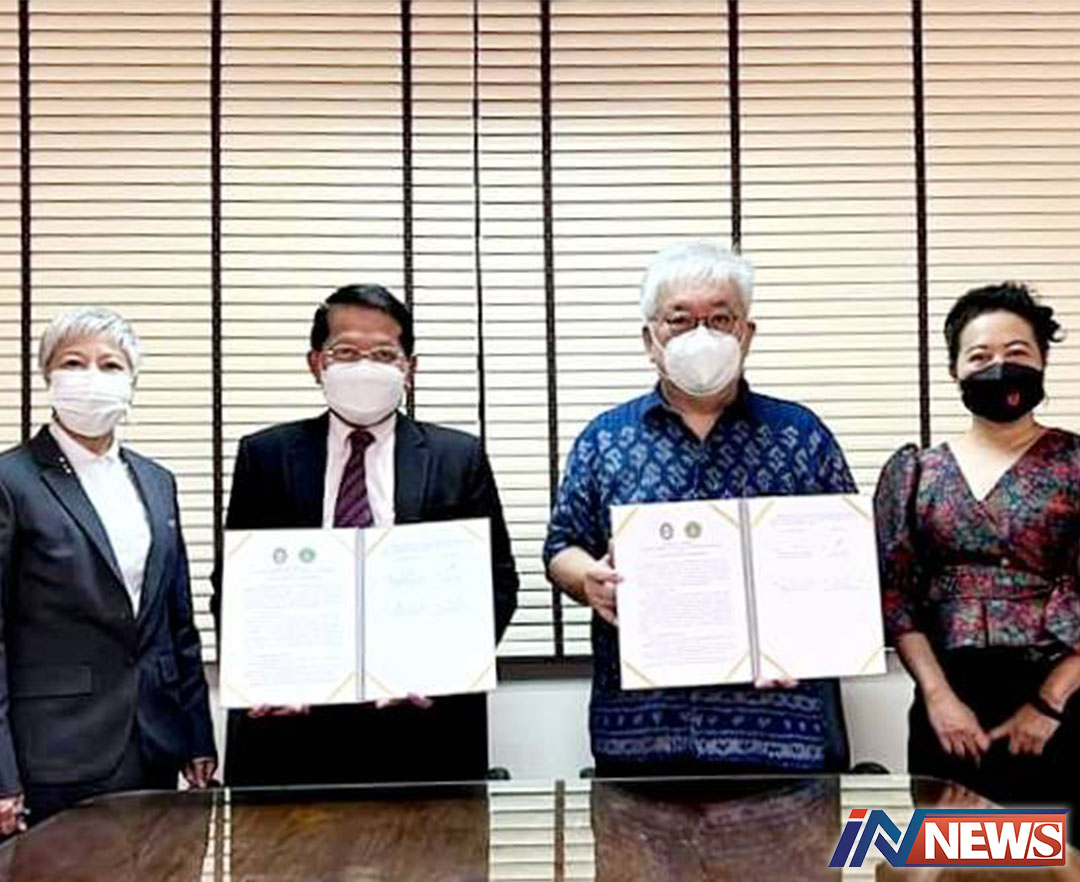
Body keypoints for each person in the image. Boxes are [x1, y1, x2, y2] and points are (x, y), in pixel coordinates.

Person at [544, 239, 856, 776]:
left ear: (746, 334)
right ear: (651, 339)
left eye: (720, 319)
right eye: (681, 321)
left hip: (781, 729)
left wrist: (811, 637)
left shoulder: (802, 435)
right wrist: (588, 578)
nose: (702, 335)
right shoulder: (604, 439)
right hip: (643, 731)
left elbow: (848, 563)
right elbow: (561, 547)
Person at [214, 283, 518, 786]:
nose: (364, 367)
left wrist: (445, 667)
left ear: (409, 368)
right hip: (291, 730)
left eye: (383, 354)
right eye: (346, 352)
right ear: (316, 363)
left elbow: (498, 582)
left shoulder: (457, 457)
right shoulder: (265, 456)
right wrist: (264, 674)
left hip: (425, 727)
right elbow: (236, 586)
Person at [0, 308, 216, 832]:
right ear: (49, 376)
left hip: (156, 740)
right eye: (74, 363)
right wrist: (1, 774)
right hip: (55, 748)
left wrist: (197, 736)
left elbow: (177, 623)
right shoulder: (12, 480)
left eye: (111, 364)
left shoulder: (156, 481)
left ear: (132, 380)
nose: (93, 376)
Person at [875, 282, 1080, 822]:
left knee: (1055, 857)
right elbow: (896, 596)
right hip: (948, 710)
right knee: (954, 855)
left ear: (1043, 360)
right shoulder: (915, 473)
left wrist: (1049, 704)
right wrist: (938, 697)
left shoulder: (1075, 463)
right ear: (955, 370)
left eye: (1017, 352)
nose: (999, 367)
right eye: (980, 356)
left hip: (1060, 702)